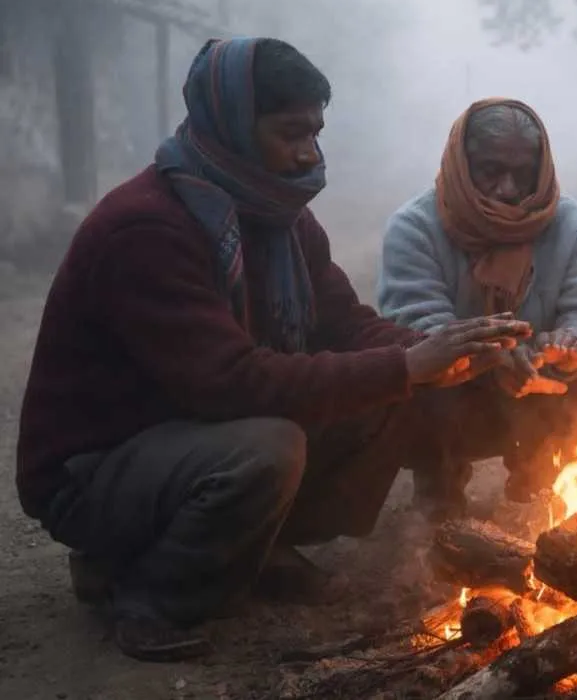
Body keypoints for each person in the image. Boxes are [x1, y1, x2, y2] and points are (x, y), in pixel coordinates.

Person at [15, 38, 529, 662]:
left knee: (397, 392)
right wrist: (403, 365)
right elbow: (229, 382)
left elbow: (344, 323)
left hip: (195, 435)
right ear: (229, 123)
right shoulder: (146, 227)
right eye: (291, 133)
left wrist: (446, 353)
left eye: (315, 131)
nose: (310, 152)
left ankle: (255, 551)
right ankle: (150, 590)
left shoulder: (279, 215)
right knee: (269, 447)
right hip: (95, 470)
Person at [378, 98, 577, 518]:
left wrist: (569, 347)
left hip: (543, 384)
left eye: (523, 174)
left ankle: (547, 485)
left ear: (541, 169)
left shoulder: (573, 225)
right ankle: (439, 492)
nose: (508, 189)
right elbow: (414, 324)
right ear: (462, 163)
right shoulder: (414, 226)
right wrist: (493, 356)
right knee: (418, 381)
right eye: (491, 170)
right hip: (459, 392)